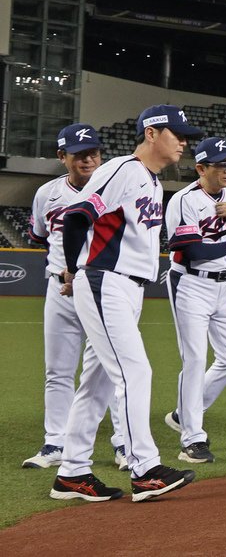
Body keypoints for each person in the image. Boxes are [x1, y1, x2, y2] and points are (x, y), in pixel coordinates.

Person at [50, 104, 201, 502]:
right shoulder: (123, 170)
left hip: (126, 287)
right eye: (177, 134)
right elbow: (77, 216)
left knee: (96, 385)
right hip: (105, 281)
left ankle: (71, 472)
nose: (184, 142)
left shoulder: (151, 181)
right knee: (135, 372)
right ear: (151, 133)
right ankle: (144, 467)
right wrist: (70, 268)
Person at [23, 124, 127, 473]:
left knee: (111, 372)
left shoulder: (115, 190)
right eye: (80, 154)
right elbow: (42, 236)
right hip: (59, 290)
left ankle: (123, 443)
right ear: (61, 157)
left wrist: (81, 272)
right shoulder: (47, 194)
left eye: (94, 153)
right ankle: (56, 441)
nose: (88, 159)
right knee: (58, 371)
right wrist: (64, 271)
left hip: (101, 289)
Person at [163, 137, 226, 464]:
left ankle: (183, 413)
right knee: (194, 360)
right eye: (220, 164)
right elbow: (194, 252)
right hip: (190, 283)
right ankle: (192, 439)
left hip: (225, 286)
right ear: (201, 168)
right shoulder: (184, 201)